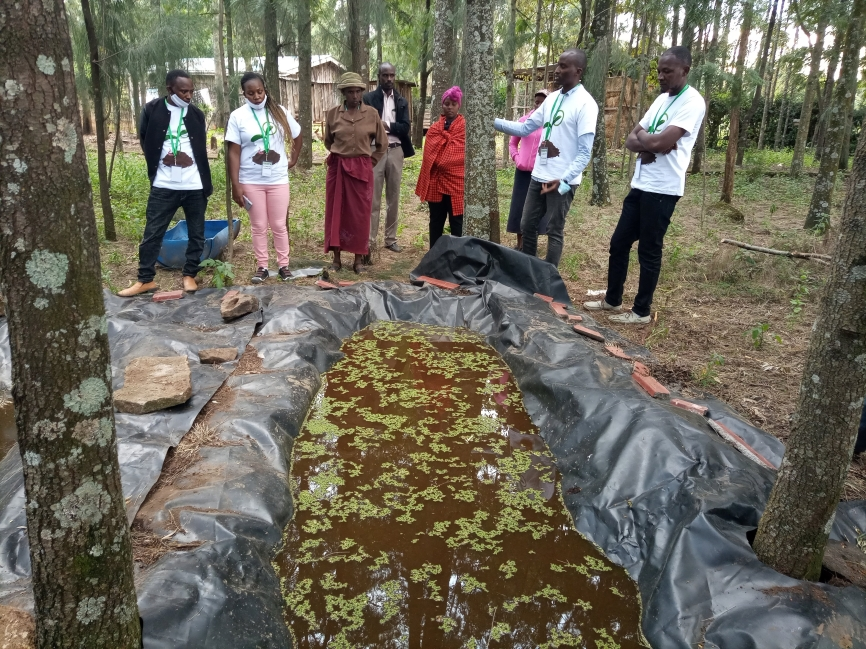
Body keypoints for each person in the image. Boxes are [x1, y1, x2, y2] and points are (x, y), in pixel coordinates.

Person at [584, 46, 705, 324]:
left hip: (663, 188)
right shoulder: (662, 100)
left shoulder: (692, 102)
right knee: (619, 243)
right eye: (659, 70)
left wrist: (652, 141)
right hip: (641, 184)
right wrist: (654, 142)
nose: (661, 76)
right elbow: (631, 139)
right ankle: (613, 301)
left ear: (684, 71)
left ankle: (641, 311)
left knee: (649, 249)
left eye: (668, 71)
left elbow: (659, 142)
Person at [493, 50, 598, 268]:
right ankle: (531, 271)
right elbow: (525, 128)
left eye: (563, 66)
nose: (557, 71)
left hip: (561, 181)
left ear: (578, 71)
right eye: (557, 66)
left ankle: (548, 279)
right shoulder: (551, 100)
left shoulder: (586, 104)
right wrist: (492, 121)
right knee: (527, 224)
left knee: (553, 229)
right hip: (538, 176)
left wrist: (564, 179)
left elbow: (584, 151)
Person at [119, 69, 212, 296]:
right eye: (183, 91)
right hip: (164, 185)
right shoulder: (152, 110)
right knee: (153, 232)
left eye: (191, 91)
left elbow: (199, 148)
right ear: (169, 89)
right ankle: (145, 279)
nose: (189, 95)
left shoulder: (197, 115)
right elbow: (144, 140)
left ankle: (190, 274)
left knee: (197, 233)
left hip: (193, 185)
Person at [226, 72, 302, 283]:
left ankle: (284, 266)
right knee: (258, 225)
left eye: (259, 91)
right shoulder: (238, 116)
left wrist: (293, 159)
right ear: (244, 94)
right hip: (250, 179)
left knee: (278, 224)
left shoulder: (279, 112)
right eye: (251, 93)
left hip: (277, 179)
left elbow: (297, 134)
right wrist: (236, 185)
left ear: (265, 90)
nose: (257, 96)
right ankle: (262, 266)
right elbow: (233, 151)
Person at [324, 72, 387, 273]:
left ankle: (358, 260)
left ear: (362, 92)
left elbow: (382, 144)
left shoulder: (372, 114)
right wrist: (340, 155)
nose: (354, 96)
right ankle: (336, 259)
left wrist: (370, 162)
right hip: (338, 168)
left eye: (358, 91)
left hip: (362, 169)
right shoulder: (333, 114)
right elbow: (328, 141)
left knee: (360, 214)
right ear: (344, 93)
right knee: (336, 212)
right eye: (350, 92)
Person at [363, 62, 414, 257]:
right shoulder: (368, 99)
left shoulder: (401, 100)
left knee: (393, 197)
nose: (389, 79)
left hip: (395, 150)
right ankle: (370, 241)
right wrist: (382, 127)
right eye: (385, 75)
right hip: (375, 151)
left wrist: (386, 125)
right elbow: (368, 125)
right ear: (379, 77)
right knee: (373, 197)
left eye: (392, 75)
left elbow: (405, 127)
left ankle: (390, 239)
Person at [415, 86, 466, 249]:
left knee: (457, 222)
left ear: (459, 105)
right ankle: (434, 256)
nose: (449, 107)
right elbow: (429, 155)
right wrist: (442, 155)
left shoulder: (465, 127)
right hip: (436, 183)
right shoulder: (434, 129)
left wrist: (443, 158)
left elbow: (458, 155)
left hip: (456, 183)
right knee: (436, 221)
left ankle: (457, 257)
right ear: (442, 105)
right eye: (446, 103)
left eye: (453, 104)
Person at [508, 89, 550, 251]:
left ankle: (530, 244)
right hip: (522, 173)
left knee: (535, 209)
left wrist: (544, 164)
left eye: (542, 102)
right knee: (519, 207)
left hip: (539, 174)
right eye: (536, 101)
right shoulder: (524, 121)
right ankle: (519, 244)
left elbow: (547, 147)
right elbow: (512, 143)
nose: (538, 104)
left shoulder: (549, 125)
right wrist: (517, 159)